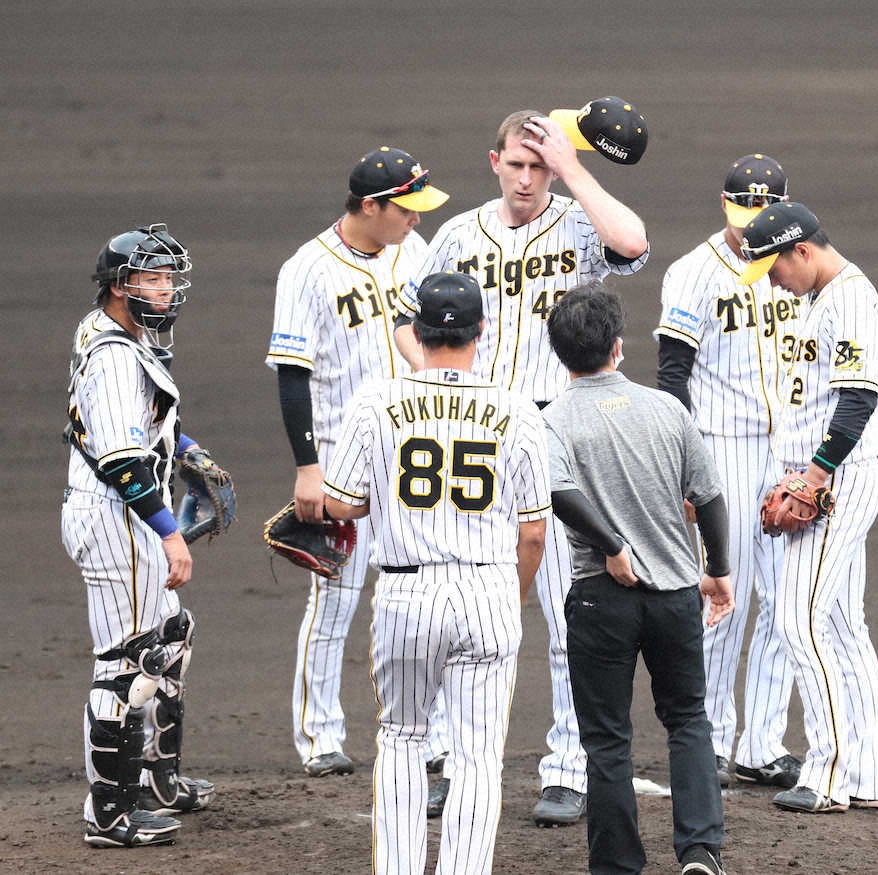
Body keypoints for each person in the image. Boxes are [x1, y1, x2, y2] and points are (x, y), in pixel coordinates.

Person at [394, 98, 650, 825]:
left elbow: (632, 243)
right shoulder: (455, 235)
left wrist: (576, 168)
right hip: (472, 433)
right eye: (519, 163)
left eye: (541, 166)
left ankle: (567, 767)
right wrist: (444, 382)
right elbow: (409, 321)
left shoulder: (577, 221)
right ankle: (441, 756)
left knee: (569, 609)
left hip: (551, 426)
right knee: (454, 596)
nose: (529, 178)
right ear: (495, 162)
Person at [321, 271, 550, 875]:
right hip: (488, 588)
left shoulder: (378, 400)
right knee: (477, 756)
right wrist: (512, 596)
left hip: (405, 593)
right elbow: (534, 531)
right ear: (481, 331)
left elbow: (341, 504)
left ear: (415, 333)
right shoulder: (517, 408)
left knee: (401, 739)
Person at [266, 146, 449, 777]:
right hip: (343, 459)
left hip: (417, 451)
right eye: (407, 208)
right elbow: (293, 375)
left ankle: (434, 735)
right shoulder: (307, 270)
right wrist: (307, 466)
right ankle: (321, 737)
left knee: (426, 593)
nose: (416, 220)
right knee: (336, 597)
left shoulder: (416, 254)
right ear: (370, 205)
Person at [543, 281, 734, 875]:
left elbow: (560, 493)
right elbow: (709, 499)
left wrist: (611, 545)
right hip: (676, 596)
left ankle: (618, 866)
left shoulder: (553, 419)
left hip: (601, 600)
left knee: (605, 742)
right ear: (619, 348)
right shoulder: (667, 409)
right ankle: (700, 851)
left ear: (559, 354)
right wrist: (719, 572)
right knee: (688, 720)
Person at [62, 224, 215, 847]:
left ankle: (156, 780)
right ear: (120, 287)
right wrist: (170, 533)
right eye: (151, 278)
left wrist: (188, 449)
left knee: (171, 638)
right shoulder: (114, 357)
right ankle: (109, 813)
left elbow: (143, 421)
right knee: (126, 662)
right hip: (116, 516)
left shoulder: (118, 334)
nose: (166, 289)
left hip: (125, 512)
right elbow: (122, 459)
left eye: (169, 277)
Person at [654, 154, 803, 789]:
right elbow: (671, 377)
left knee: (786, 599)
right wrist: (689, 468)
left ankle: (762, 742)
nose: (751, 228)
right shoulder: (693, 273)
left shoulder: (800, 263)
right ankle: (710, 735)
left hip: (791, 449)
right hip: (725, 450)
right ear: (723, 203)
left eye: (764, 215)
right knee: (723, 596)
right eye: (743, 214)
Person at [737, 201, 878, 813]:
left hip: (833, 483)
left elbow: (856, 400)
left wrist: (816, 474)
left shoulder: (849, 301)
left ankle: (827, 776)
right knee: (844, 629)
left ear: (802, 251)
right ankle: (867, 777)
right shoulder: (822, 298)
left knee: (799, 620)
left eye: (774, 267)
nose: (771, 280)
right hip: (829, 479)